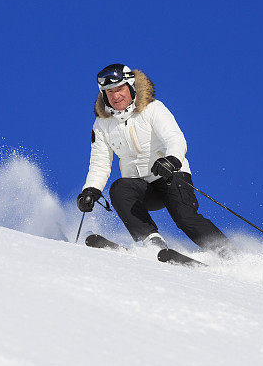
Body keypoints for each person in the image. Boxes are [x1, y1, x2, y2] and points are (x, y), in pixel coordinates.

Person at [77, 63, 230, 254]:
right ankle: (151, 241)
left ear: (131, 87)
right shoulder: (102, 124)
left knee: (185, 218)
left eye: (119, 89)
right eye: (109, 92)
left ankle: (227, 254)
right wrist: (91, 190)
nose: (115, 96)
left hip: (170, 176)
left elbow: (175, 137)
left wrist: (172, 160)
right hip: (143, 187)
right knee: (119, 189)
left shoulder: (152, 109)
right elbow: (100, 163)